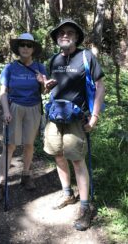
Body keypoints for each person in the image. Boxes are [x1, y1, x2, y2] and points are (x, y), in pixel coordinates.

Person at [43, 19, 105, 231]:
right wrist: (47, 86)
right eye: (61, 33)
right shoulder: (54, 59)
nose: (65, 35)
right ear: (57, 38)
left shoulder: (86, 56)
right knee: (58, 155)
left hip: (77, 119)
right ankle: (68, 194)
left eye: (70, 32)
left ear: (77, 37)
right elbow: (53, 86)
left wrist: (95, 116)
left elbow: (99, 86)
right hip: (54, 116)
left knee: (77, 161)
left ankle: (85, 207)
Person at [0, 32, 47, 202]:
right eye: (22, 45)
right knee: (9, 146)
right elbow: (3, 92)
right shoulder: (10, 68)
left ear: (33, 49)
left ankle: (26, 175)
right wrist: (6, 111)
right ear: (18, 48)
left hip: (34, 107)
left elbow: (46, 91)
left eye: (28, 45)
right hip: (14, 107)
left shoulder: (40, 68)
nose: (25, 48)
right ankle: (1, 184)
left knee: (29, 144)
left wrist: (42, 83)